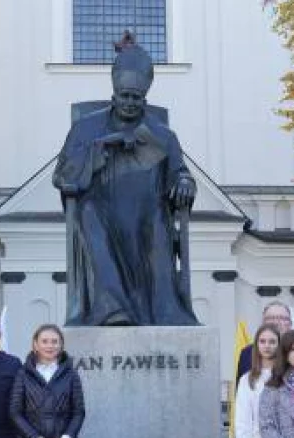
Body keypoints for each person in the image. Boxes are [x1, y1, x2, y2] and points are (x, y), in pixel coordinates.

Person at [52, 33, 198, 326]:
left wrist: (185, 182)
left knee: (158, 224)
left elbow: (179, 172)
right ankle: (111, 310)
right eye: (124, 97)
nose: (130, 103)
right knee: (89, 215)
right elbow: (63, 174)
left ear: (144, 98)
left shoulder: (163, 136)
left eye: (136, 98)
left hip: (148, 212)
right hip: (100, 209)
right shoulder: (86, 127)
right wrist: (100, 149)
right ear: (114, 95)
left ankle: (165, 312)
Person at [237, 301, 293, 381]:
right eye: (271, 318)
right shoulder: (248, 353)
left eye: (282, 318)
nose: (276, 322)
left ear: (290, 324)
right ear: (262, 323)